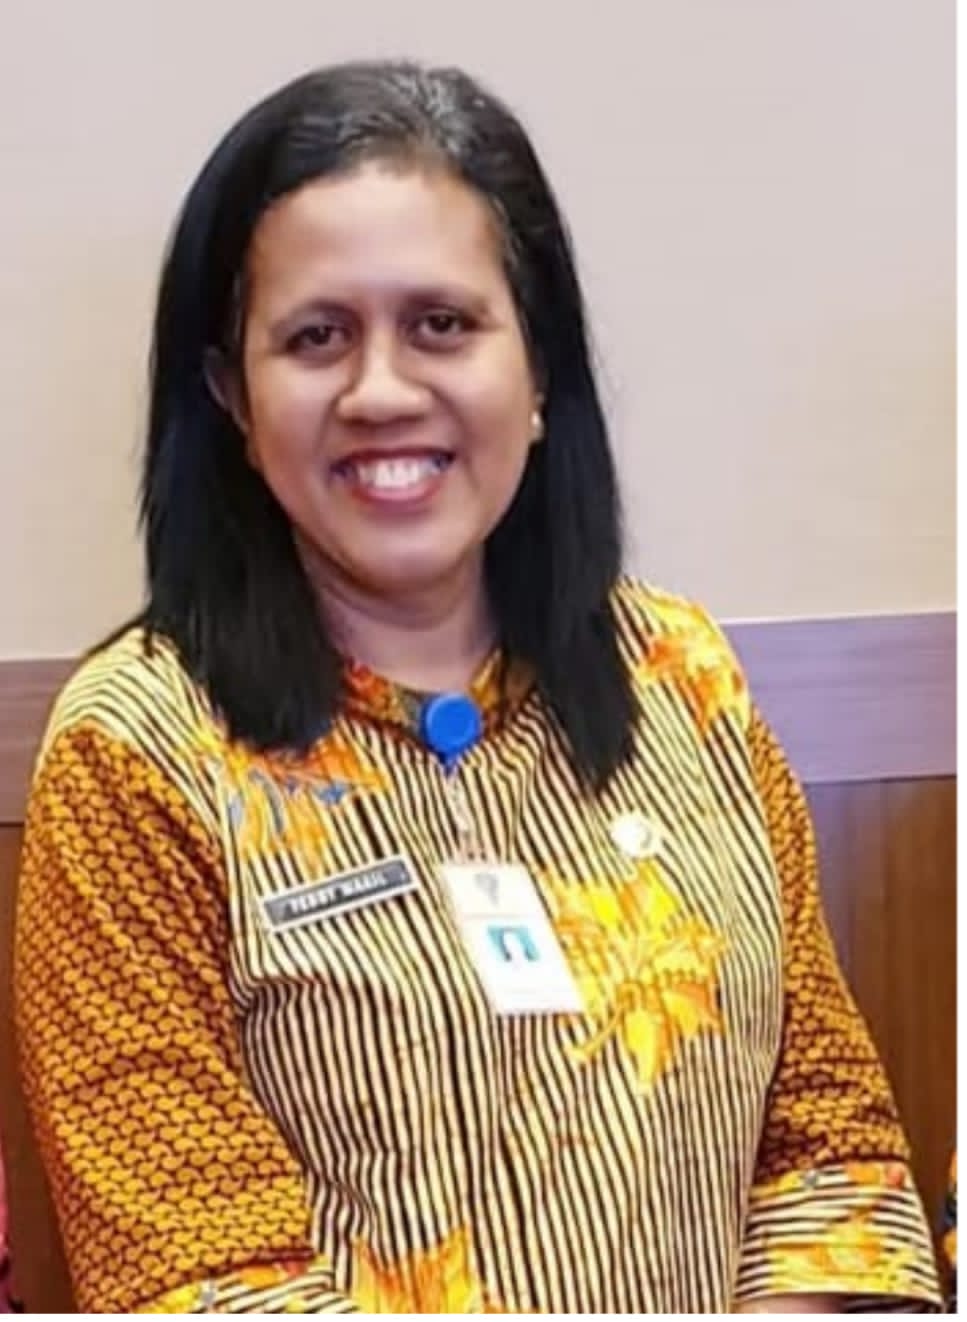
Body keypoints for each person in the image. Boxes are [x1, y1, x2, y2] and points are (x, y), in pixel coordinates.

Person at [14, 61, 941, 1314]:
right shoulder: (136, 755)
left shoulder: (681, 680)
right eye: (316, 336)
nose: (382, 390)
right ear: (233, 395)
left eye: (441, 324)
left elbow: (829, 1144)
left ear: (539, 368)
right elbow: (196, 1279)